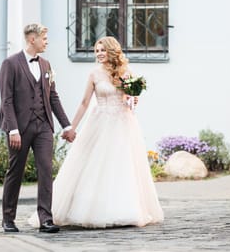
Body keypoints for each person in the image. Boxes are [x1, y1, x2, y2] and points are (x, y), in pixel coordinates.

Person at [29, 36, 164, 228]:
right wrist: (71, 127)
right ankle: (92, 209)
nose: (99, 54)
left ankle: (125, 210)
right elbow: (84, 103)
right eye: (97, 51)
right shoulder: (94, 74)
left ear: (112, 51)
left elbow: (130, 98)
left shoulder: (126, 72)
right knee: (95, 167)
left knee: (123, 167)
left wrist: (132, 100)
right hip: (100, 122)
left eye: (103, 50)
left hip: (123, 124)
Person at [0, 23, 76, 234]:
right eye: (44, 39)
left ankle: (46, 219)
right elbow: (6, 100)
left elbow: (53, 96)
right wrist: (12, 129)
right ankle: (8, 218)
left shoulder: (46, 65)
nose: (46, 42)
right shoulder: (10, 64)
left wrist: (66, 125)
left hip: (43, 126)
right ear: (32, 39)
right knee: (15, 171)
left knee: (46, 170)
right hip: (19, 128)